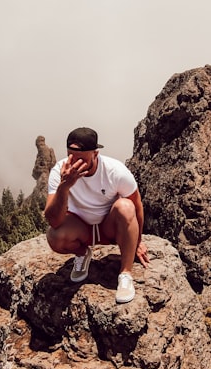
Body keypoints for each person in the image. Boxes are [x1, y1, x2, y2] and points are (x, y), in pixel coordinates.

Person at [45, 127, 149, 304]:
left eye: (82, 158)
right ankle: (83, 253)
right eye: (72, 156)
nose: (76, 163)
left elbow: (136, 206)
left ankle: (125, 274)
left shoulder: (115, 171)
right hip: (81, 229)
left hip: (109, 228)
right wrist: (65, 186)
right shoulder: (59, 172)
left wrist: (137, 241)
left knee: (125, 206)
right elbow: (53, 220)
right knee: (54, 236)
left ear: (95, 153)